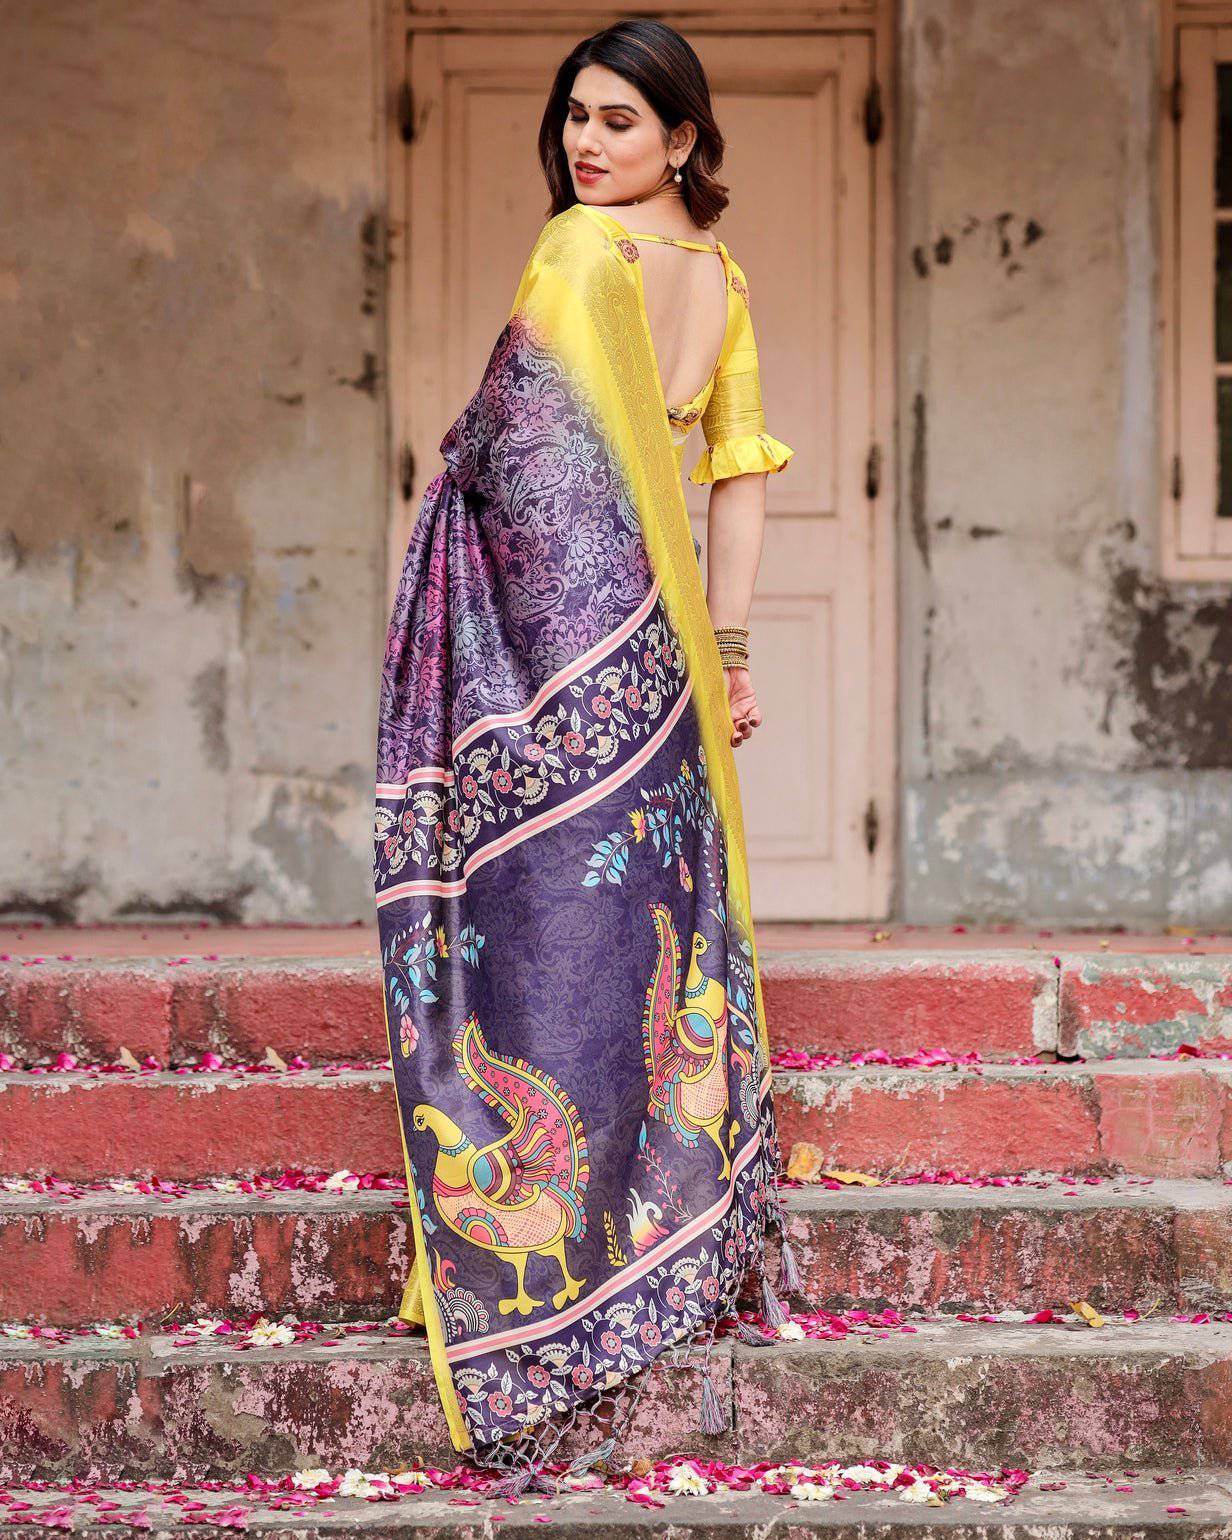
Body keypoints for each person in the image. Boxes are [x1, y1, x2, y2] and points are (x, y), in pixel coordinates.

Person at [373, 17, 797, 1485]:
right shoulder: (721, 280)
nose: (586, 142)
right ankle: (661, 1230)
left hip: (575, 648)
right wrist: (726, 651)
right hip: (664, 642)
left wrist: (459, 497)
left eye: (620, 120)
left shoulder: (577, 252)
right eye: (574, 117)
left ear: (683, 136)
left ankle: (533, 1269)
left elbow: (520, 455)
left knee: (546, 934)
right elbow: (735, 477)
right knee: (648, 938)